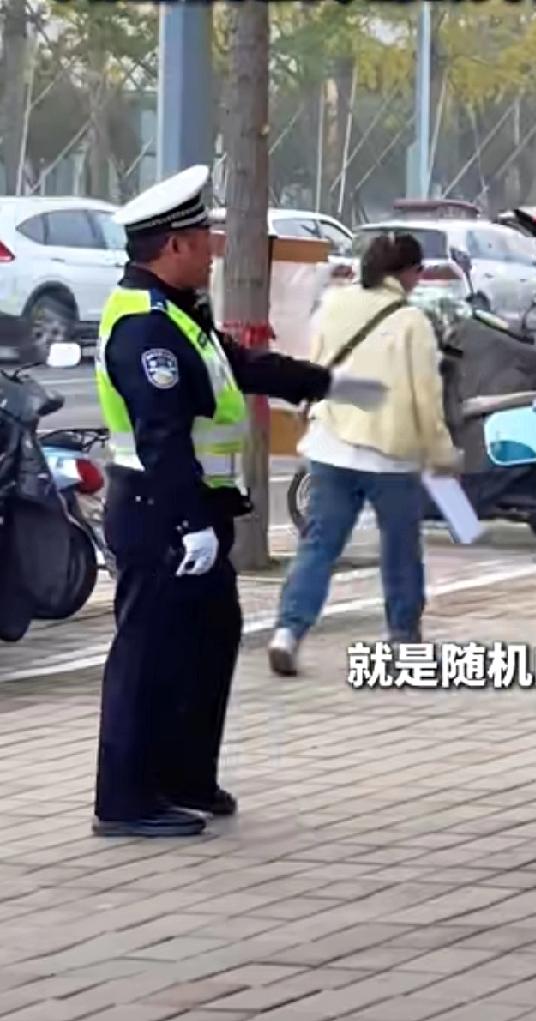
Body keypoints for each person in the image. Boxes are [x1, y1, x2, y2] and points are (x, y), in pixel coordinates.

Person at [93, 164, 386, 838]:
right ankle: (126, 800)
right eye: (203, 241)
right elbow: (162, 436)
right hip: (161, 513)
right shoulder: (144, 328)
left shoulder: (177, 313)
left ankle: (184, 776)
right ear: (173, 246)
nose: (212, 253)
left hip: (194, 510)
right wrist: (190, 522)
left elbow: (242, 366)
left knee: (207, 642)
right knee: (146, 653)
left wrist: (333, 385)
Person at [267, 233, 462, 676]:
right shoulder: (412, 322)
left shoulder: (334, 303)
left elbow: (315, 367)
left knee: (319, 544)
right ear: (407, 273)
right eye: (418, 271)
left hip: (331, 444)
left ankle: (288, 632)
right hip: (390, 455)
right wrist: (442, 453)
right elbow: (426, 398)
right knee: (400, 547)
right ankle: (402, 639)